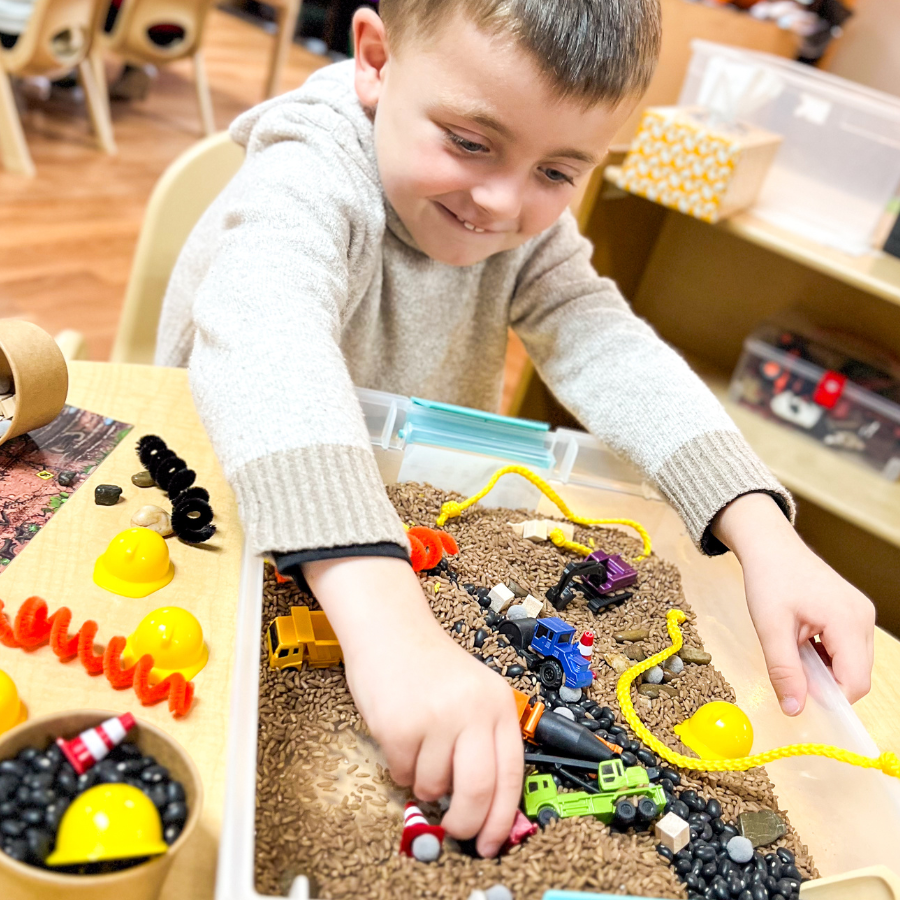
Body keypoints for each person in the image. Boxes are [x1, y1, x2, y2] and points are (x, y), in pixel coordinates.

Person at [156, 0, 876, 858]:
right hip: (235, 511)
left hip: (397, 516)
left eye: (559, 172)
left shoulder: (519, 214)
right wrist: (391, 630)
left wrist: (759, 524)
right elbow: (263, 338)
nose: (502, 203)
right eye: (468, 142)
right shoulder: (312, 169)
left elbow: (603, 341)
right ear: (377, 61)